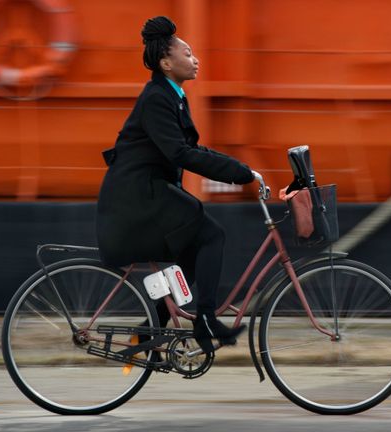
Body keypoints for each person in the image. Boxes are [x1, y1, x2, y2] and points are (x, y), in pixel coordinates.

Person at [96, 16, 253, 353]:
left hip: (149, 191)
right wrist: (239, 173)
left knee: (195, 246)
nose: (195, 59)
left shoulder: (173, 95)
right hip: (138, 195)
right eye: (188, 53)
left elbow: (191, 150)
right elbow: (179, 153)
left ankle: (151, 326)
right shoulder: (157, 98)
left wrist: (243, 171)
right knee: (211, 234)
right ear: (167, 63)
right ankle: (206, 320)